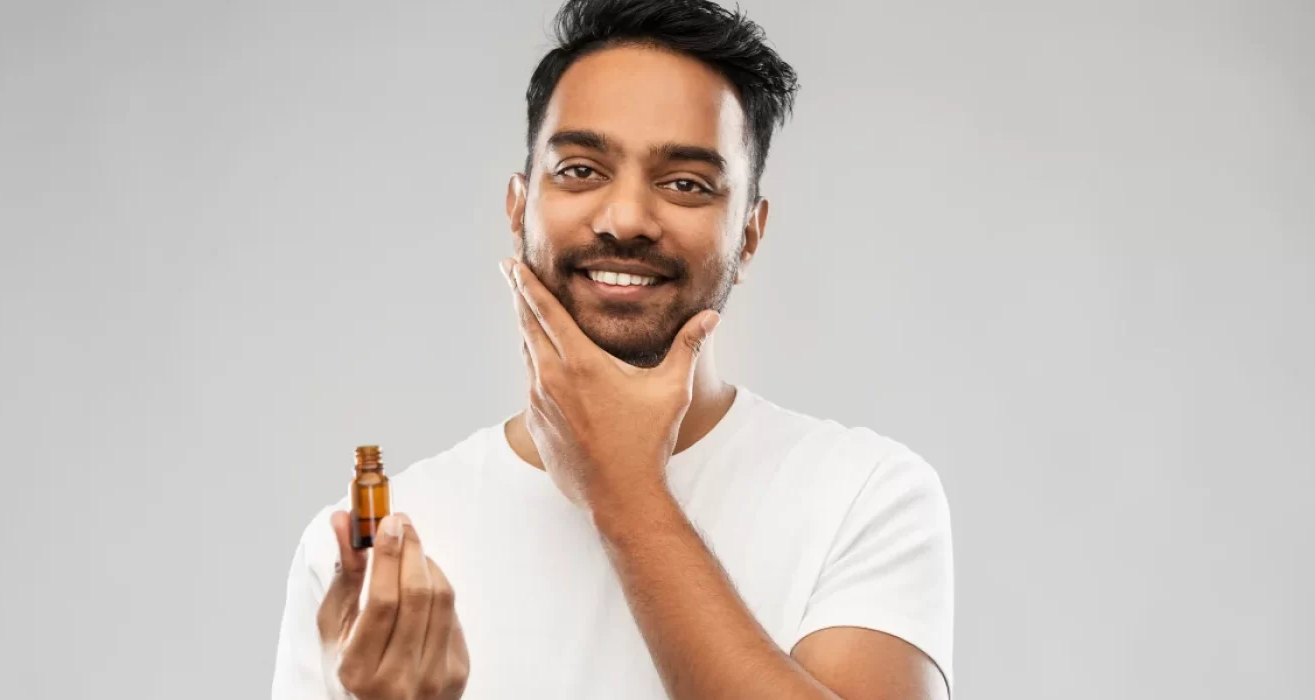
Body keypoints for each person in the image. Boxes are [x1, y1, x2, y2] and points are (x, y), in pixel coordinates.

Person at [271, 0, 953, 697]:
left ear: (749, 233)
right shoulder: (375, 554)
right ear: (518, 207)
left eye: (685, 184)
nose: (625, 219)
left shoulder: (864, 495)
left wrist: (625, 490)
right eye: (579, 170)